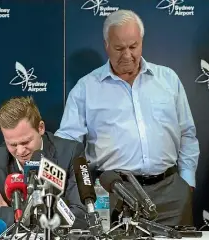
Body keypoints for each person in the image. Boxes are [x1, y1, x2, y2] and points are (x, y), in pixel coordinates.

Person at [55, 9, 199, 226]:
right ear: (106, 45)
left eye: (133, 47)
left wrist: (187, 181)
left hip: (171, 195)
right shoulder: (85, 88)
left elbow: (187, 133)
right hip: (115, 195)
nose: (127, 55)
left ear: (141, 41)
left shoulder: (168, 79)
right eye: (119, 48)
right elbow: (67, 145)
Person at [0, 96, 88, 229]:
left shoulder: (70, 152)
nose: (20, 151)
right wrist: (36, 216)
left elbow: (79, 214)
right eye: (12, 144)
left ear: (41, 128)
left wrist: (14, 212)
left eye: (26, 142)